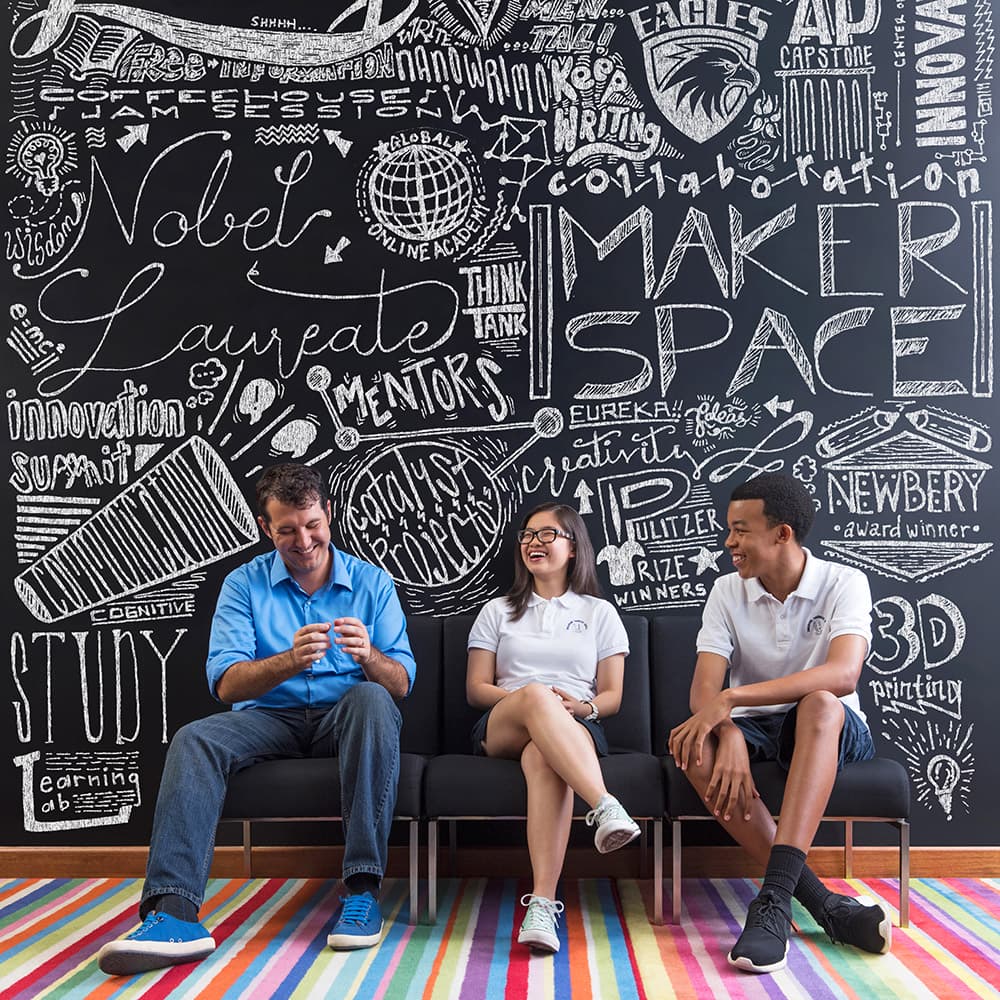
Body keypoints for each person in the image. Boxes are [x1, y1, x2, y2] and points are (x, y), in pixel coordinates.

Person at [97, 464, 416, 976]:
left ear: (328, 513)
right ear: (266, 528)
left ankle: (361, 891)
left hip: (347, 717)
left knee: (373, 699)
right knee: (194, 739)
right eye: (287, 530)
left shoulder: (371, 582)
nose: (303, 541)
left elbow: (400, 684)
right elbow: (227, 684)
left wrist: (369, 656)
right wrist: (289, 660)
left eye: (312, 525)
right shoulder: (242, 585)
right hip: (269, 718)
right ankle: (174, 914)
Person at [669, 472, 891, 974]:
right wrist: (727, 730)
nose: (728, 543)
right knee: (691, 746)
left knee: (820, 703)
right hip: (753, 725)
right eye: (728, 530)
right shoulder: (727, 591)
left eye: (740, 530)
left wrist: (732, 699)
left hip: (831, 725)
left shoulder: (845, 582)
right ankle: (823, 905)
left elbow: (844, 674)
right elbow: (704, 692)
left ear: (781, 534)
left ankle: (771, 899)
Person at [466, 501, 640, 955]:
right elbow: (477, 689)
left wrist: (580, 707)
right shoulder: (497, 610)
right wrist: (532, 701)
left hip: (573, 723)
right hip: (504, 721)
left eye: (547, 534)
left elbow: (612, 696)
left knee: (543, 757)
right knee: (535, 695)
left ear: (574, 547)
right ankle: (604, 805)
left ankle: (542, 905)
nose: (533, 542)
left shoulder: (600, 612)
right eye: (527, 535)